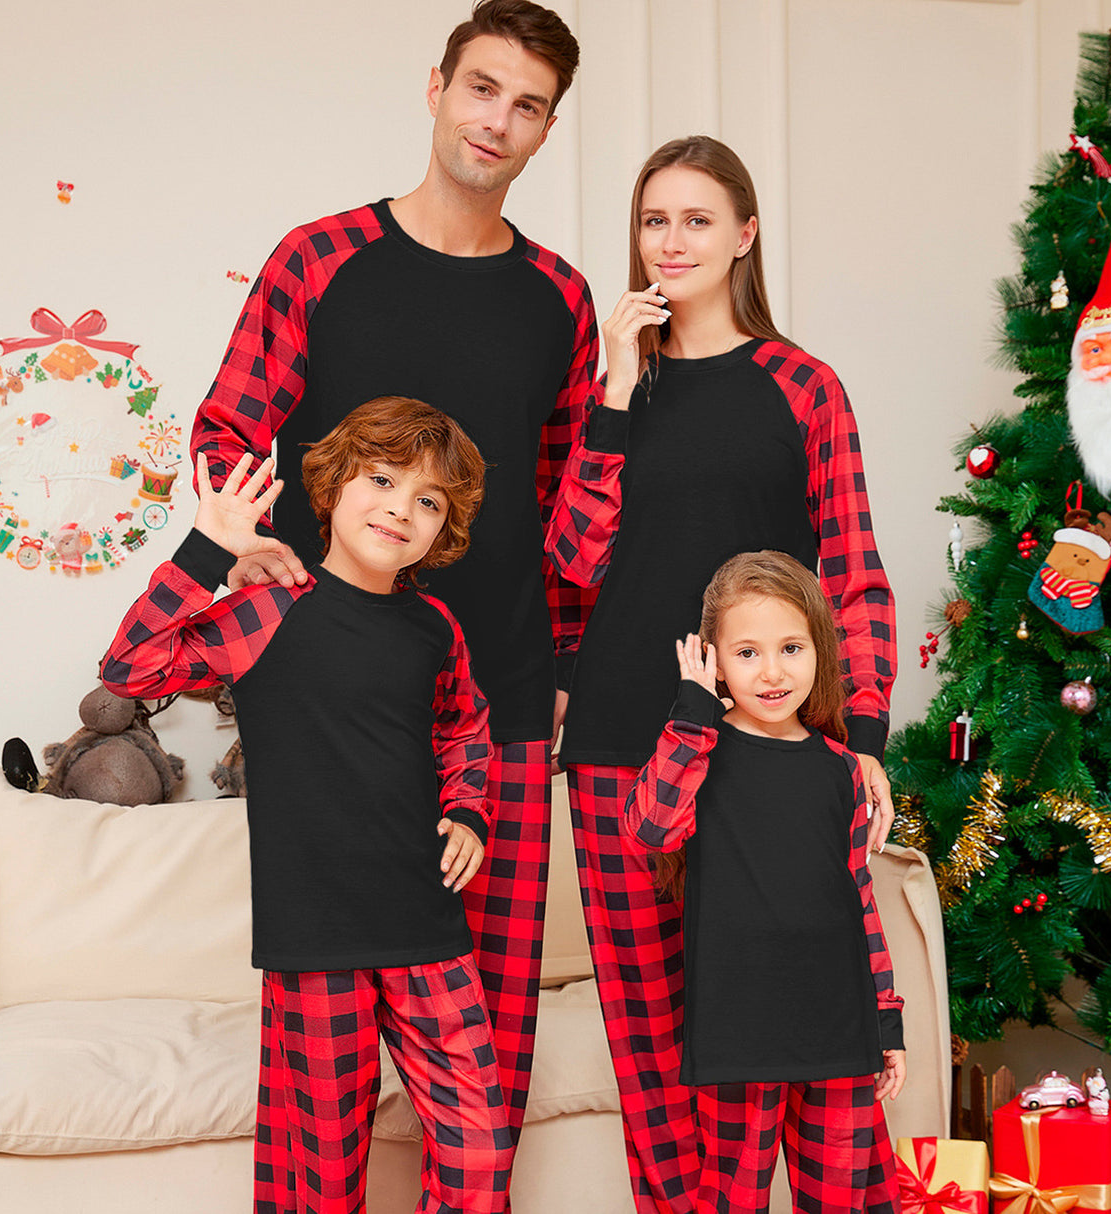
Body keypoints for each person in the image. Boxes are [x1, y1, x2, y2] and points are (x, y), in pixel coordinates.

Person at [189, 0, 597, 1157]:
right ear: (435, 88)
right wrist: (249, 549)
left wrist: (562, 659)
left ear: (544, 131)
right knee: (322, 1072)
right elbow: (229, 430)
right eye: (481, 88)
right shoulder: (317, 260)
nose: (496, 120)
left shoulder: (560, 297)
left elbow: (569, 503)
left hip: (505, 698)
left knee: (488, 1044)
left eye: (526, 105)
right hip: (337, 702)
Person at [546, 135, 898, 1212]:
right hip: (620, 750)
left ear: (744, 234)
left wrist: (866, 738)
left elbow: (851, 570)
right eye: (654, 219)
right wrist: (612, 386)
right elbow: (568, 557)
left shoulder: (802, 385)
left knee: (781, 1034)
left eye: (697, 219)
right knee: (655, 1063)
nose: (672, 240)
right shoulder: (610, 387)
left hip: (767, 759)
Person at [101, 398, 513, 1214]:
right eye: (385, 480)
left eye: (427, 501)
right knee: (322, 1168)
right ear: (333, 488)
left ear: (443, 531)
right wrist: (207, 551)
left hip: (427, 923)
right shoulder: (265, 608)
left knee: (482, 1142)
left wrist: (468, 811)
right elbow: (130, 670)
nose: (401, 507)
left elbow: (466, 728)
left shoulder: (437, 627)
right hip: (313, 936)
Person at [625, 550, 905, 1213]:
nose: (773, 672)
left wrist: (885, 1024)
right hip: (739, 1033)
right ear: (712, 657)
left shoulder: (842, 769)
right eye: (747, 653)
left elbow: (861, 904)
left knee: (846, 1199)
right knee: (732, 1198)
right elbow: (648, 828)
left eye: (790, 648)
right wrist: (690, 719)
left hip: (838, 1029)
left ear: (820, 652)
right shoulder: (698, 752)